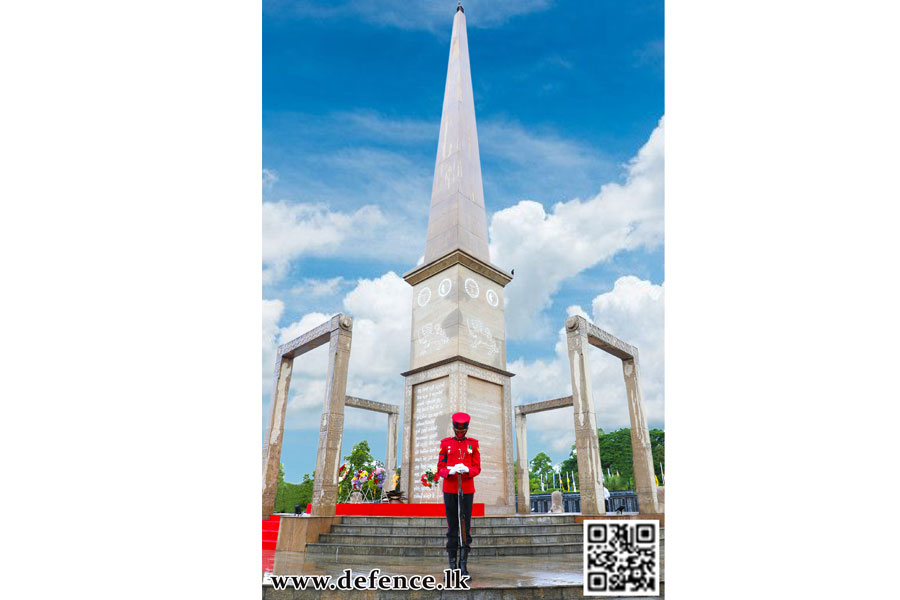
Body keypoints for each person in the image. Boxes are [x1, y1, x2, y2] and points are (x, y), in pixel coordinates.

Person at [436, 412, 481, 577]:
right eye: (457, 430)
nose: (460, 433)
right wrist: (450, 470)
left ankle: (463, 566)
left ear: (467, 429)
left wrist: (468, 469)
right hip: (450, 489)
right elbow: (440, 467)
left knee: (465, 527)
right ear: (454, 428)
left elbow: (477, 467)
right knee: (452, 527)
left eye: (463, 431)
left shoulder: (473, 445)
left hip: (467, 490)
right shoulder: (445, 444)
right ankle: (452, 566)